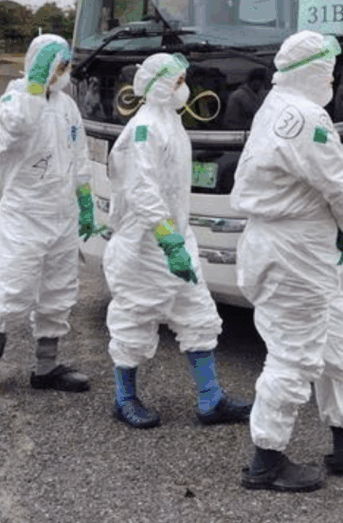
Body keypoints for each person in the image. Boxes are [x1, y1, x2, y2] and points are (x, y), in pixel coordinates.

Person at [231, 30, 343, 492]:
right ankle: (266, 460)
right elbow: (337, 182)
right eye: (327, 70)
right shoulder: (305, 117)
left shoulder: (277, 104)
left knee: (336, 344)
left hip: (298, 249)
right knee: (294, 354)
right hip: (294, 253)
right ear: (311, 71)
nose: (331, 78)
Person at [103, 52, 251, 429]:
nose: (185, 87)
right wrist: (169, 243)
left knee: (198, 314)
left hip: (175, 238)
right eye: (179, 80)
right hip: (144, 245)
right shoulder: (145, 128)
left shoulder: (170, 121)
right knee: (134, 317)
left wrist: (176, 241)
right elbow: (142, 191)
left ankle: (210, 399)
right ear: (161, 84)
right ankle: (124, 398)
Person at [0, 34, 96, 394]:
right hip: (25, 213)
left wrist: (85, 198)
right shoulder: (16, 99)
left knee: (59, 290)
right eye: (58, 66)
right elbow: (20, 126)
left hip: (62, 213)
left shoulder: (67, 105)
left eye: (66, 66)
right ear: (39, 64)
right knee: (16, 286)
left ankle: (46, 367)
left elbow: (79, 151)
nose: (64, 73)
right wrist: (37, 83)